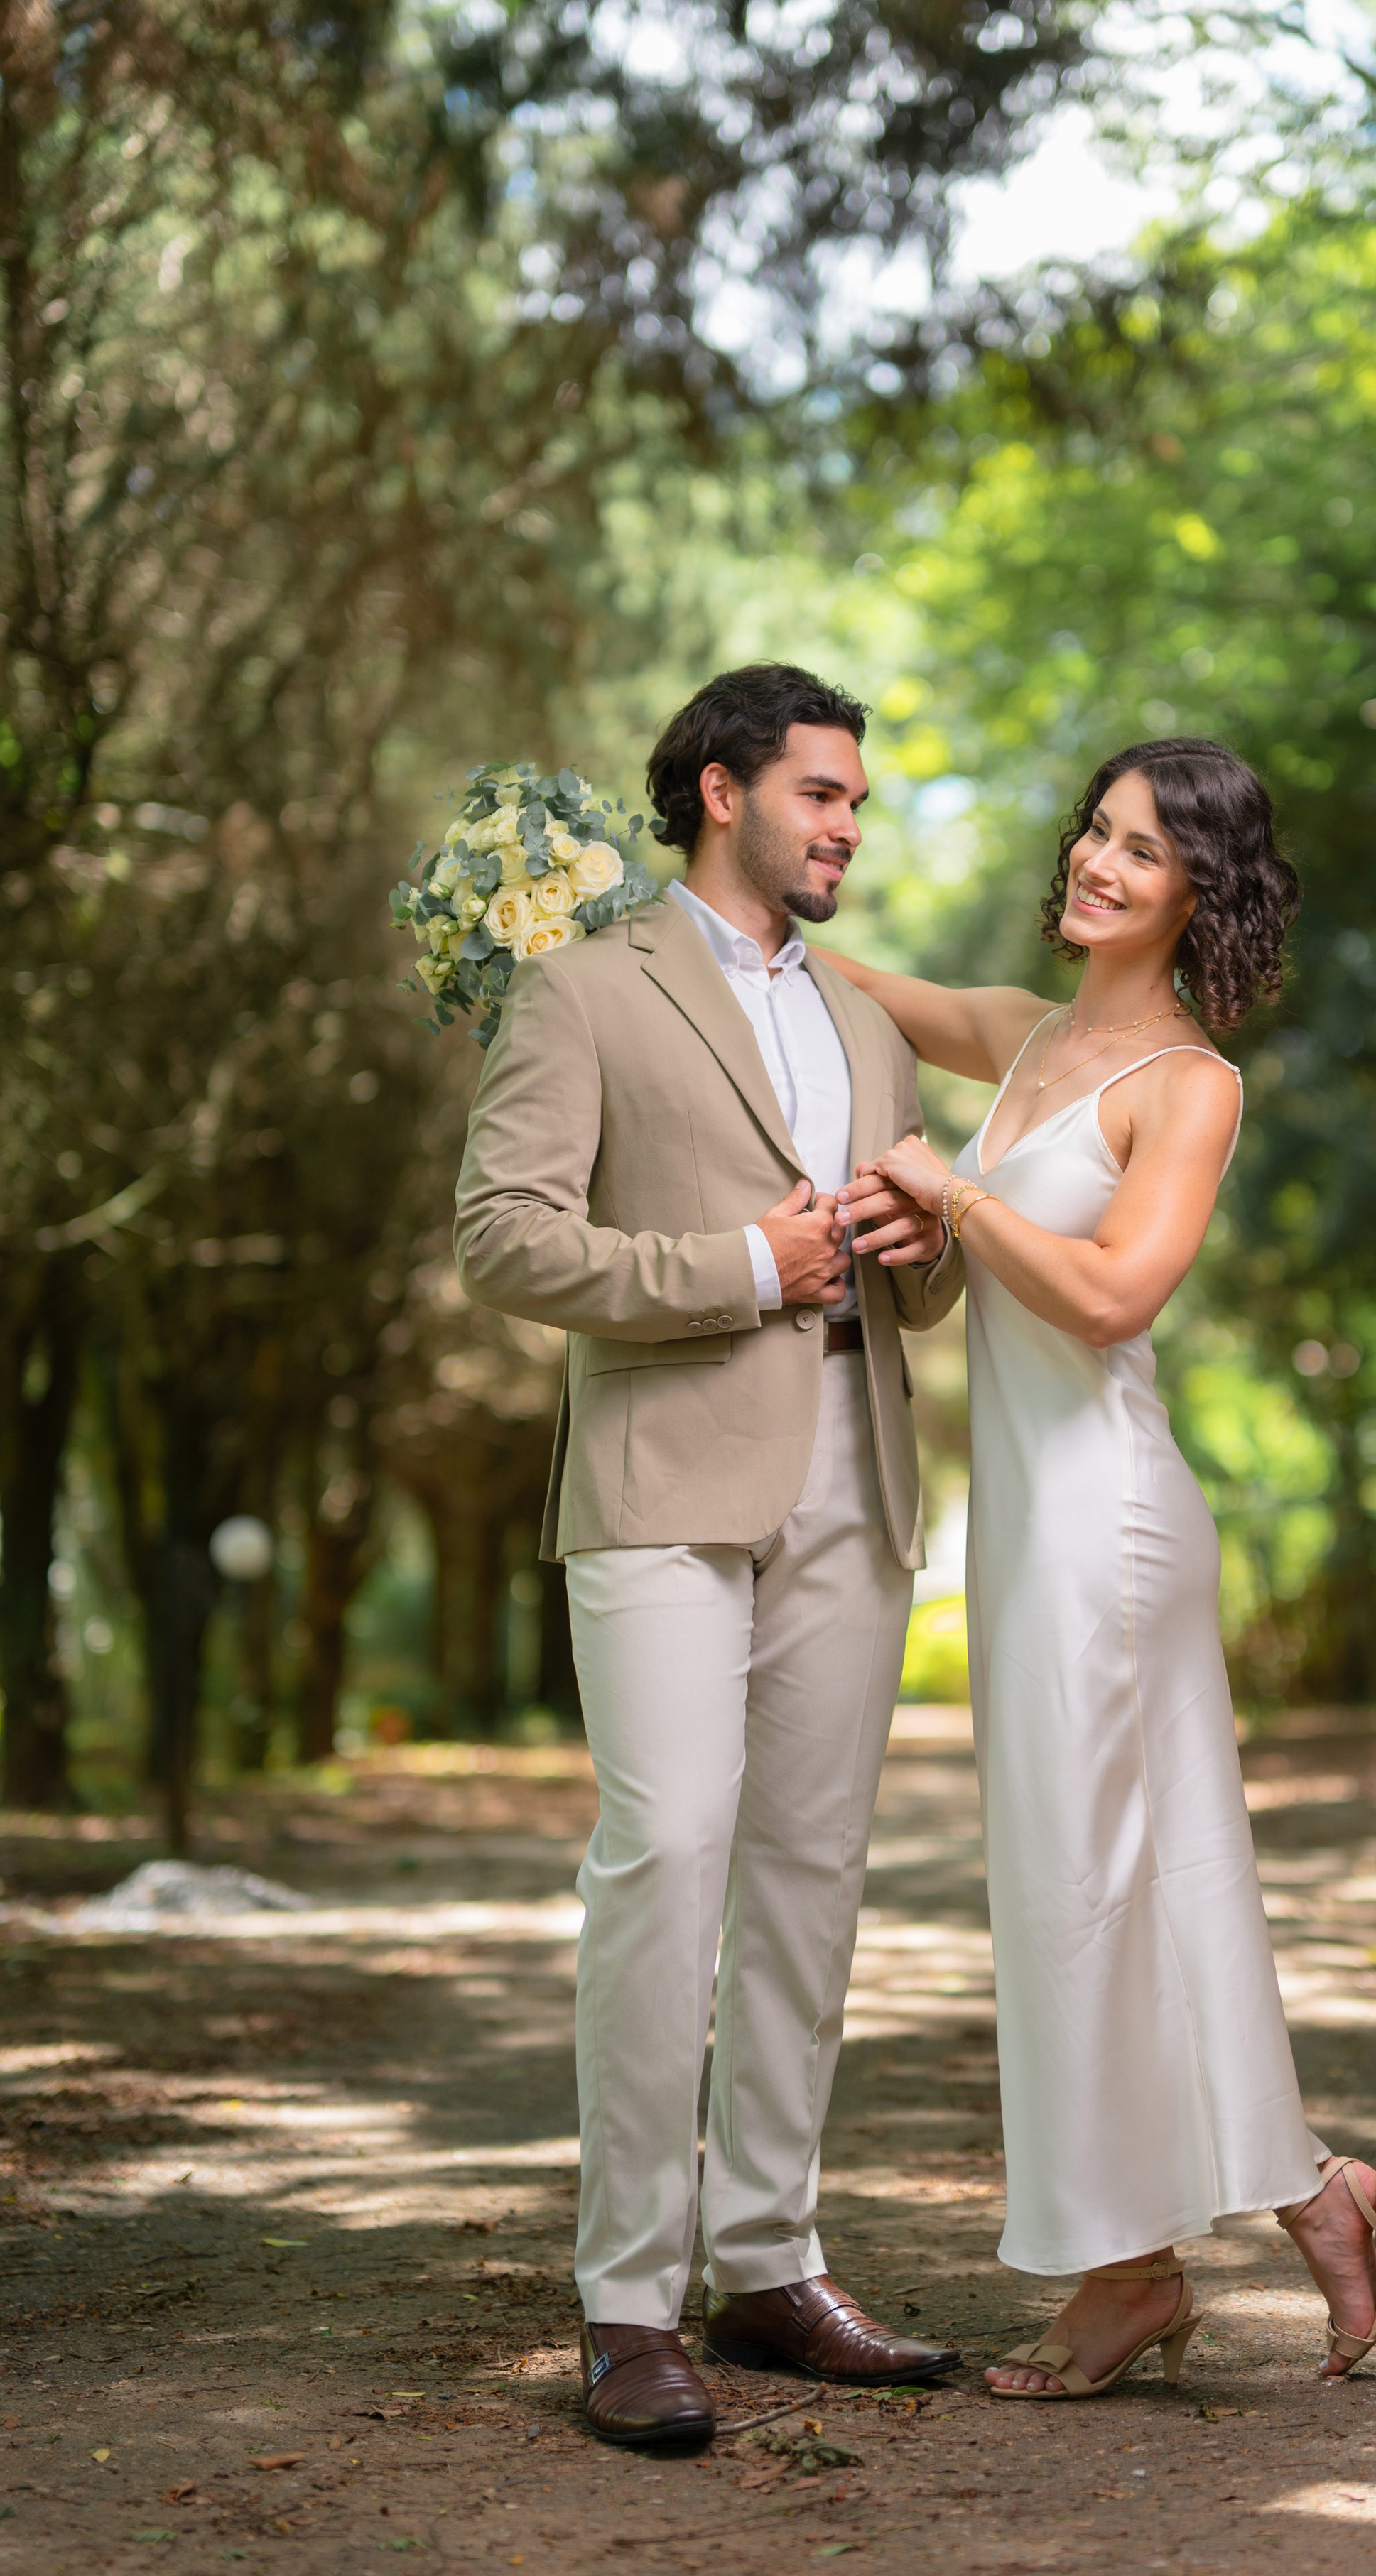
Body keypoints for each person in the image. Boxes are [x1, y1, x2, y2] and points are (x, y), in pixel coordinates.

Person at [827, 736, 1376, 2399]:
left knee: (1087, 1896)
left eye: (1143, 854)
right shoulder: (1029, 1033)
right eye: (1095, 833)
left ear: (1198, 895)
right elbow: (843, 978)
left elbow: (1112, 1298)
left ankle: (1134, 2280)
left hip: (1106, 1526)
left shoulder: (1186, 1084)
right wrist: (639, 896)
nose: (1099, 866)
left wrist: (951, 1193)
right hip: (1034, 1530)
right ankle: (1304, 2201)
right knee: (1094, 1895)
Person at [454, 664, 968, 2447]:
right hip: (665, 1472)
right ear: (720, 792)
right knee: (664, 1854)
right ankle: (625, 2303)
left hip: (858, 1469)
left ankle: (768, 2262)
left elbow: (934, 1258)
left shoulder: (863, 1016)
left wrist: (919, 1237)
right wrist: (740, 1271)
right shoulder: (587, 988)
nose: (845, 825)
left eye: (857, 802)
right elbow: (506, 1242)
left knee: (808, 1873)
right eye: (821, 793)